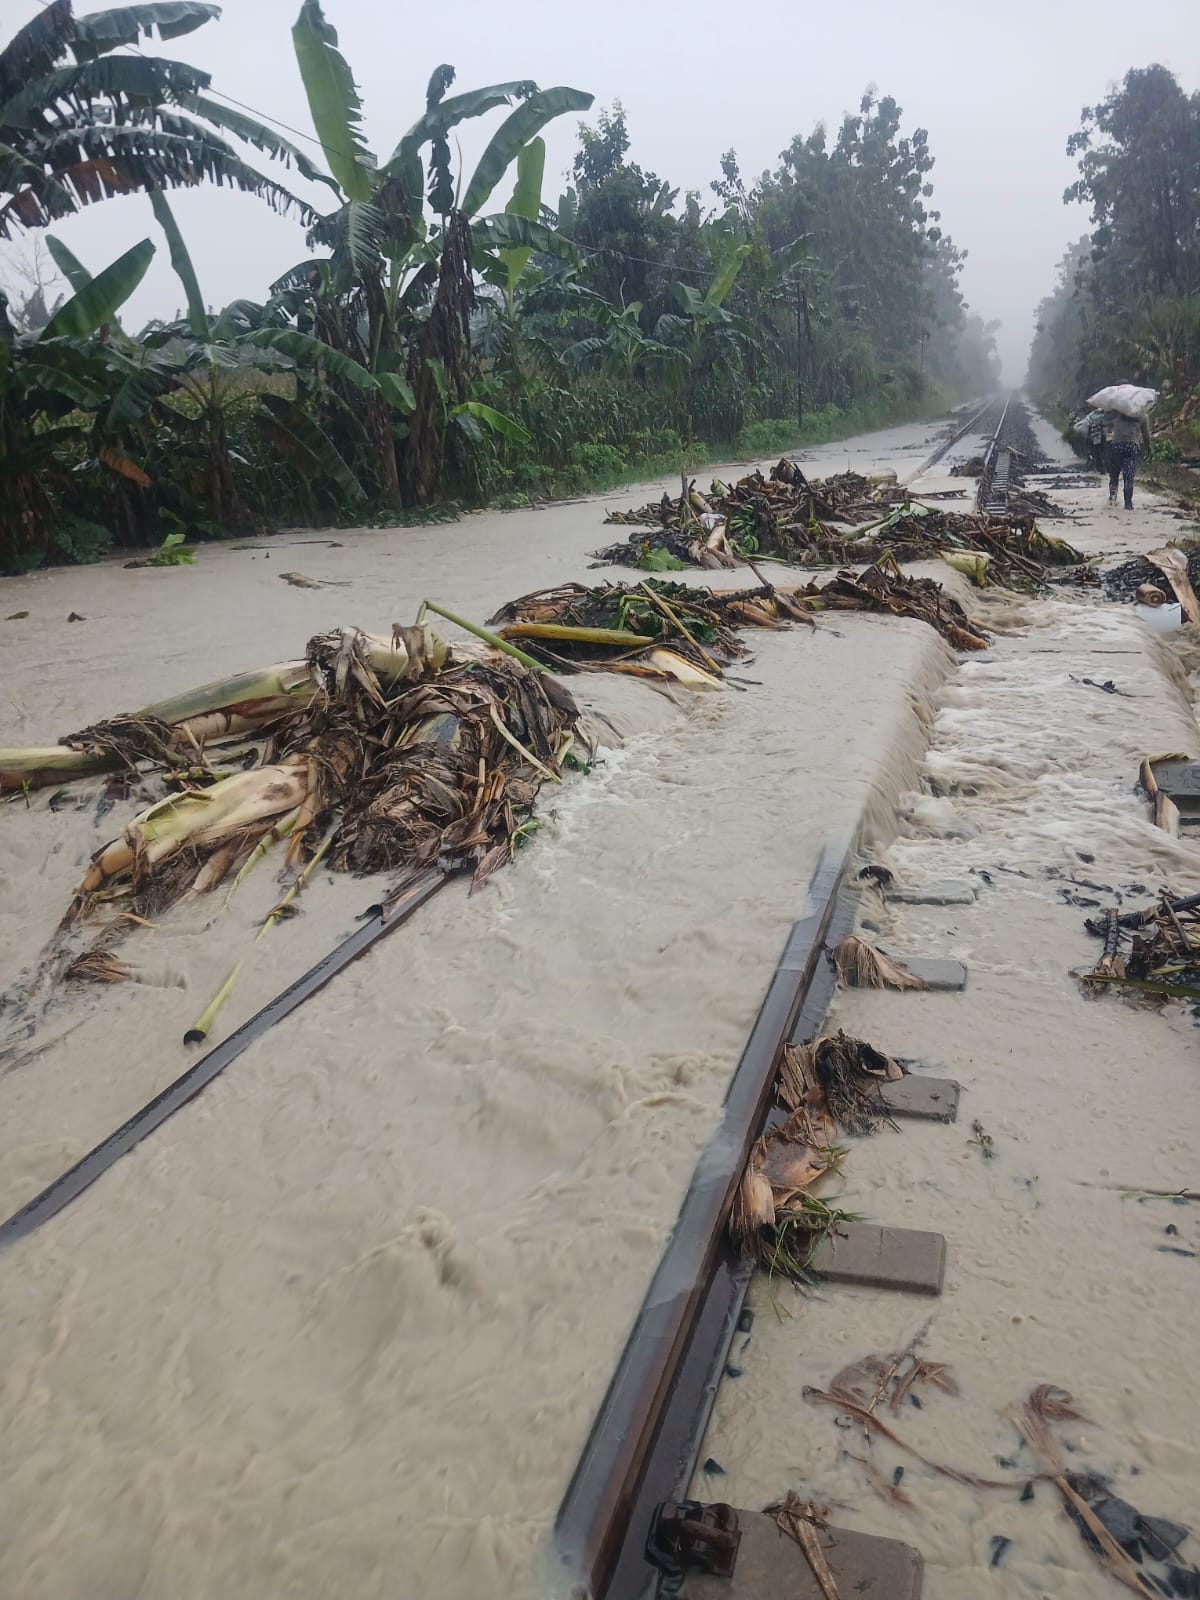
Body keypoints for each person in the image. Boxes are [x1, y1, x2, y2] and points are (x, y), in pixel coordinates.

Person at [1105, 409, 1152, 508]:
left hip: (1116, 445)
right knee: (1129, 476)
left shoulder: (1118, 413)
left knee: (1114, 474)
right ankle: (1128, 503)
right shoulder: (1143, 416)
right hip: (1131, 446)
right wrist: (1149, 450)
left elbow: (1106, 423)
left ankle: (1112, 499)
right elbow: (1146, 436)